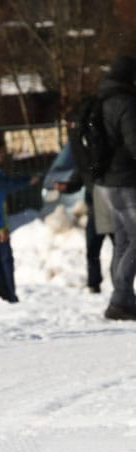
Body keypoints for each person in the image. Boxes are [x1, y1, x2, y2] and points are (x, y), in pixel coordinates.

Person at [90, 54, 136, 320]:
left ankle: (124, 299)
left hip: (106, 182)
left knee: (123, 240)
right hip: (126, 181)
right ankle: (120, 300)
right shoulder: (126, 103)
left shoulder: (101, 99)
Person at [0, 136, 39, 302]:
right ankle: (8, 293)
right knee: (4, 259)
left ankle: (4, 291)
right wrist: (1, 226)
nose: (3, 155)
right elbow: (2, 192)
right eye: (0, 152)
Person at [54, 164, 114, 294]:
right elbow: (77, 180)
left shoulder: (112, 153)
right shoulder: (87, 159)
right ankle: (94, 284)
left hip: (114, 209)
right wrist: (65, 186)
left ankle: (119, 283)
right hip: (95, 212)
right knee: (92, 249)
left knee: (120, 249)